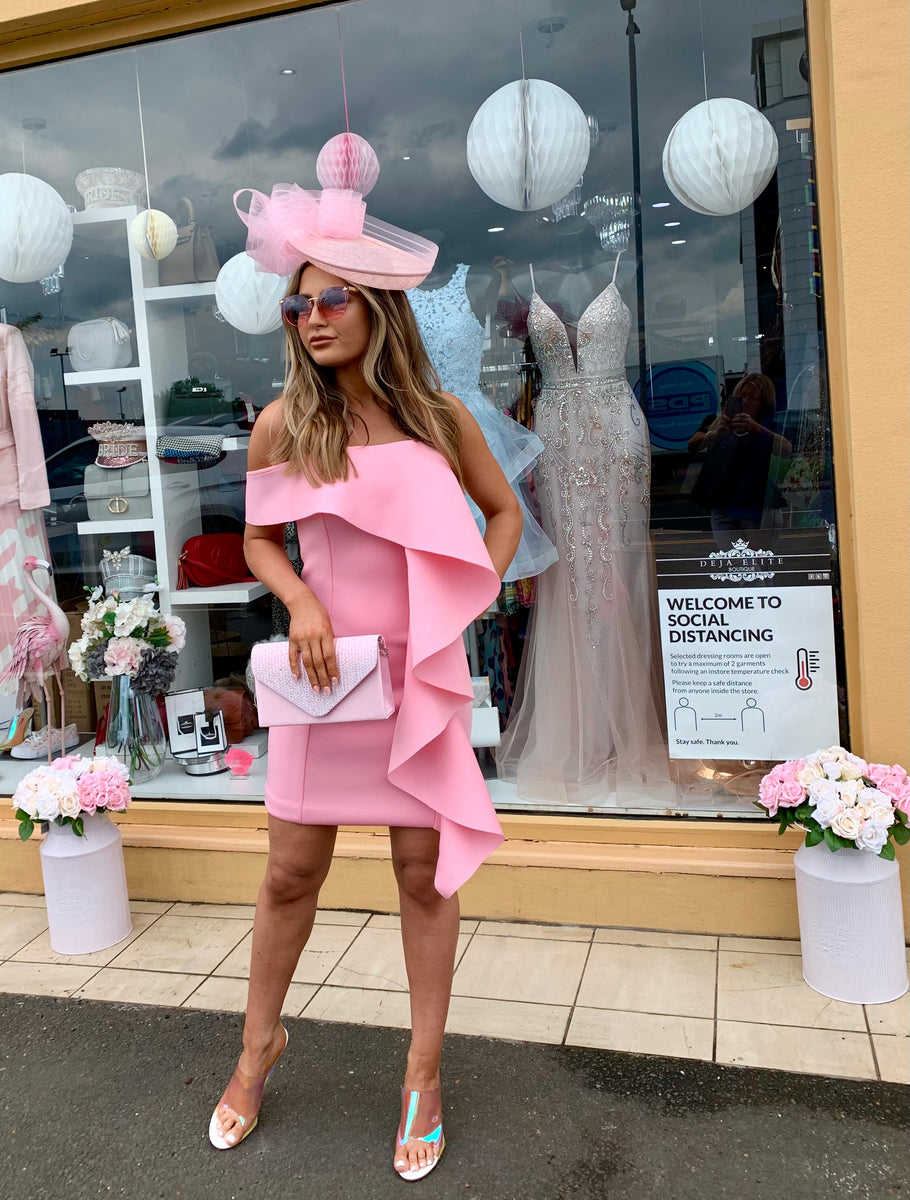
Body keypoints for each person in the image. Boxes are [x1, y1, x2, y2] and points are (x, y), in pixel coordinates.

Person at [208, 154, 522, 1182]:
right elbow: (259, 542)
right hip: (321, 679)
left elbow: (505, 512)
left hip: (413, 679)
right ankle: (258, 1045)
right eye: (299, 306)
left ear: (376, 304)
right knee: (290, 870)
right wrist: (298, 597)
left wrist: (462, 603)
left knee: (421, 876)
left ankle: (422, 1072)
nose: (313, 318)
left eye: (333, 298)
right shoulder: (282, 425)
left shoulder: (439, 420)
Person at [689, 372, 792, 550]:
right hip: (722, 504)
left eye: (753, 398)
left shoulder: (767, 424)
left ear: (763, 404)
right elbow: (692, 445)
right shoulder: (719, 421)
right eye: (742, 396)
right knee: (736, 565)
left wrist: (756, 428)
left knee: (760, 564)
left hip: (757, 507)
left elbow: (786, 449)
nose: (745, 401)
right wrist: (715, 434)